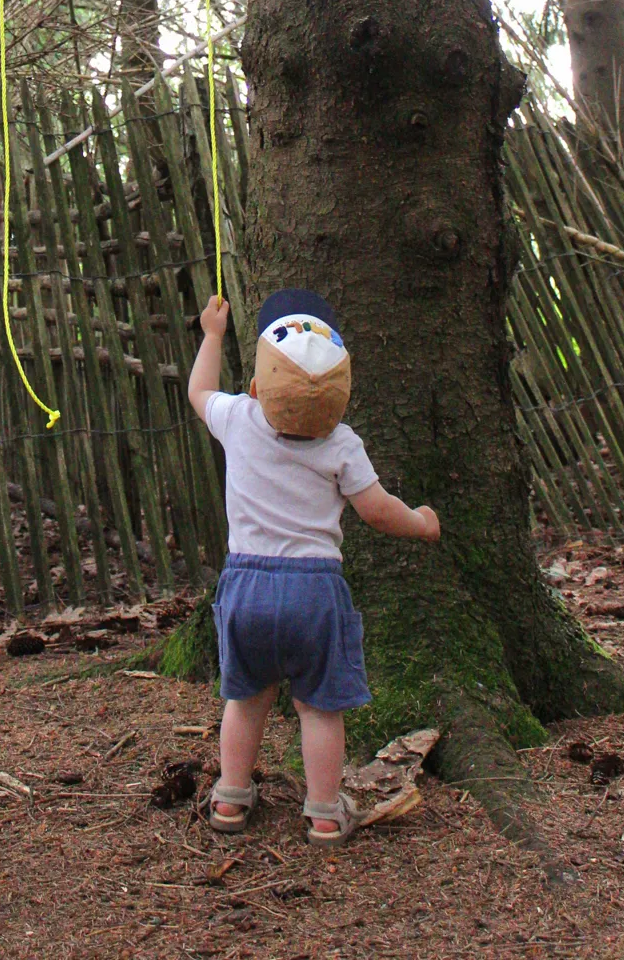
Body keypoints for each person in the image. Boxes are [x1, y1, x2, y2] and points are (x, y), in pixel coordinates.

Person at [188, 288, 440, 844]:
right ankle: (324, 809)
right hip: (314, 591)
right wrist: (422, 522)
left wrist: (211, 335)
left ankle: (230, 798)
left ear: (257, 385)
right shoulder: (342, 444)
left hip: (246, 586)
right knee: (319, 708)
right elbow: (377, 511)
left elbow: (200, 390)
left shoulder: (239, 417)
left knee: (246, 699)